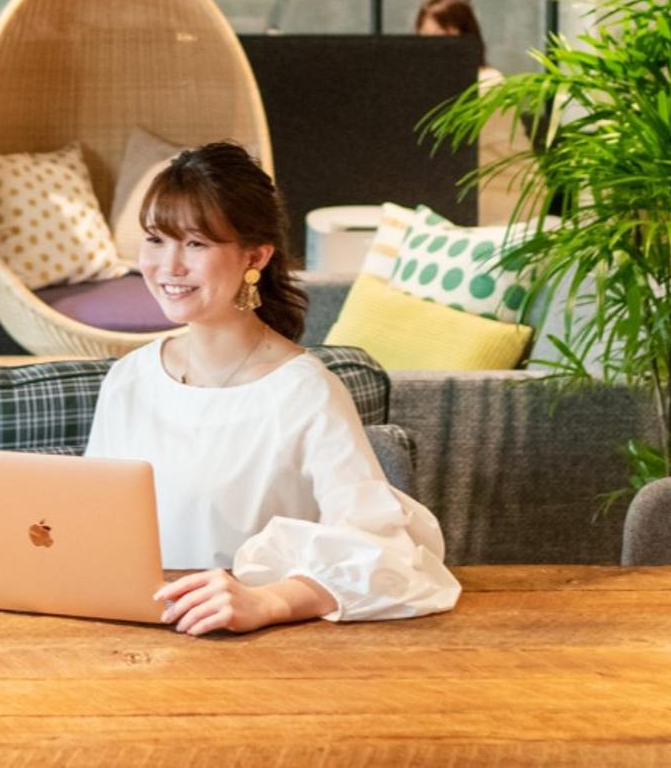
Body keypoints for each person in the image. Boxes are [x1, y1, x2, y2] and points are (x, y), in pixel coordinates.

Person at [83, 143, 461, 635]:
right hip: (132, 636)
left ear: (255, 256)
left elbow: (387, 553)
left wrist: (266, 602)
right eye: (156, 239)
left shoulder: (305, 392)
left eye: (196, 244)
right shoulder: (129, 378)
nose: (169, 266)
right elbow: (91, 523)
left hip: (250, 650)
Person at [415, 0, 526, 225]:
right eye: (425, 39)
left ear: (466, 38)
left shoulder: (488, 84)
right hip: (469, 191)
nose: (433, 48)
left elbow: (448, 145)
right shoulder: (437, 86)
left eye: (443, 38)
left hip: (506, 192)